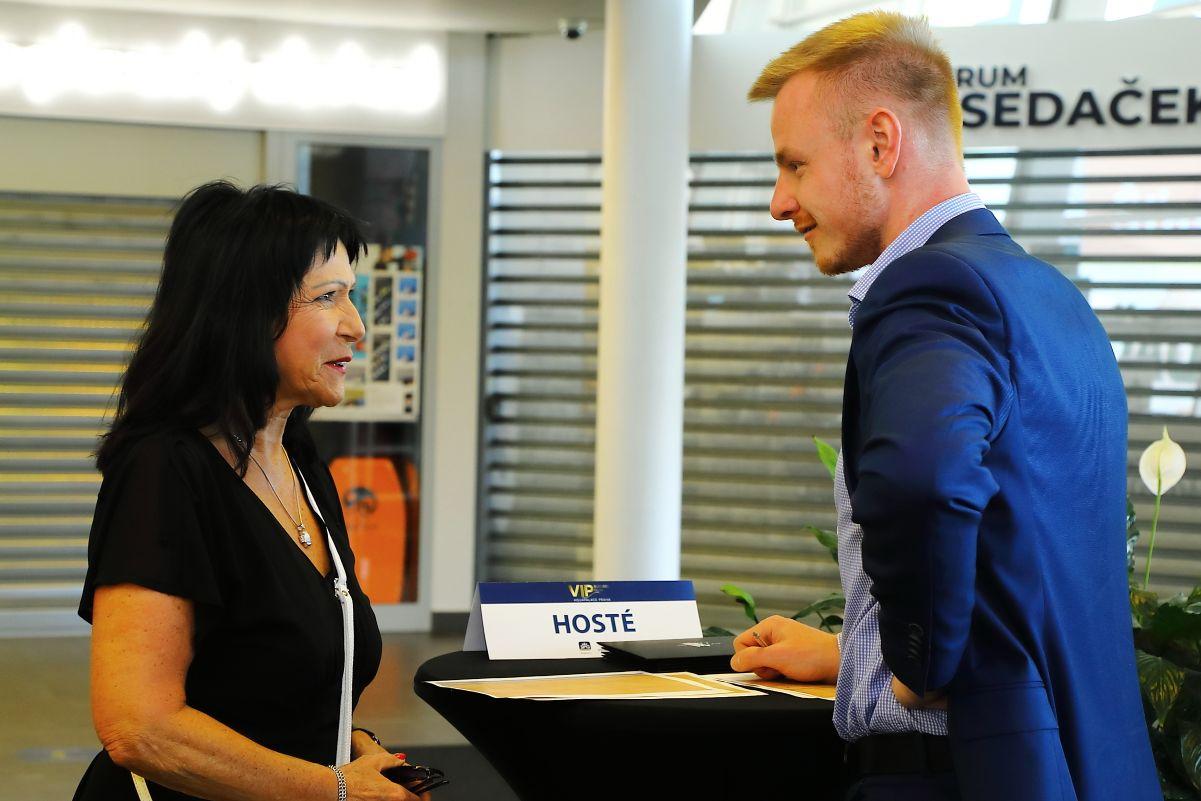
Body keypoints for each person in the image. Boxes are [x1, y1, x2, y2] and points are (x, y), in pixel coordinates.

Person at [728, 12, 1159, 801]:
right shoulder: (1046, 293)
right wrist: (849, 655)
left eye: (794, 164)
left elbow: (923, 481)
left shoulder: (931, 286)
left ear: (879, 143)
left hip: (956, 776)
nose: (778, 201)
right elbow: (1020, 566)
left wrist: (917, 665)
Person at [73, 181, 419, 801]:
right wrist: (336, 788)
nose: (357, 327)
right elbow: (141, 729)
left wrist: (349, 744)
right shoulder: (166, 471)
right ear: (247, 313)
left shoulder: (297, 458)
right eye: (328, 297)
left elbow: (270, 685)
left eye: (352, 295)